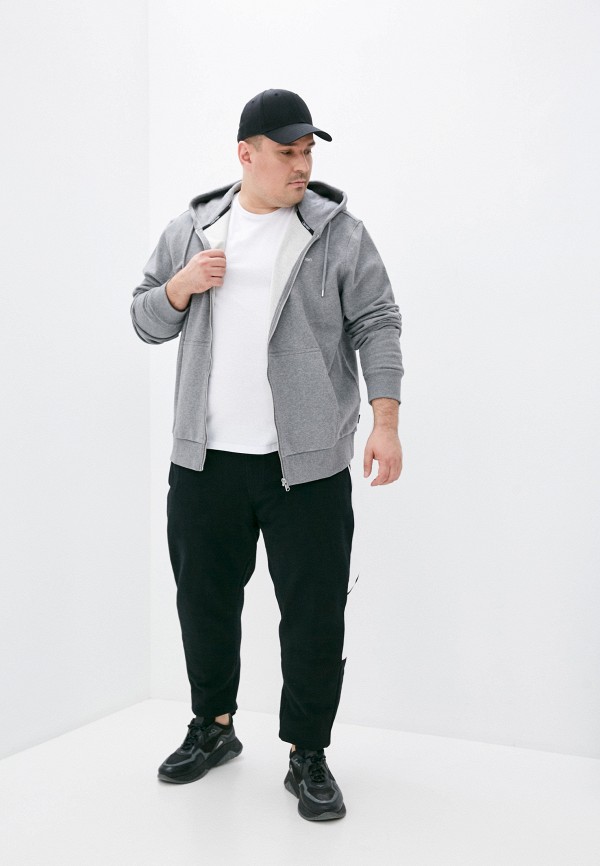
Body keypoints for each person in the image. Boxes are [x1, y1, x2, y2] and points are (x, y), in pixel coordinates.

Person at [130, 88, 404, 822]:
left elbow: (378, 322)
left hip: (306, 467)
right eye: (287, 152)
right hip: (204, 463)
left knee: (314, 613)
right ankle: (213, 727)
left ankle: (307, 753)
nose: (301, 165)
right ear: (246, 154)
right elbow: (145, 317)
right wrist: (181, 288)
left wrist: (385, 420)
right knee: (204, 602)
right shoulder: (194, 229)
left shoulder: (338, 234)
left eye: (308, 151)